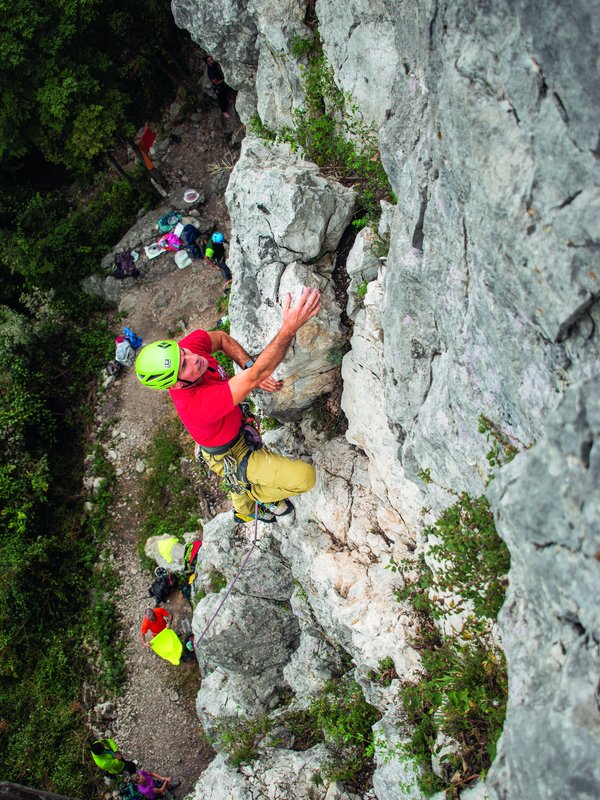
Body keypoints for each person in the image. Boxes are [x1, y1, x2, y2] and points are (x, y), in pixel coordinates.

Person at [135, 287, 321, 523]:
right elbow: (256, 376)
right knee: (305, 477)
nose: (194, 359)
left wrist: (248, 364)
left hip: (226, 435)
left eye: (183, 353)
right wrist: (289, 328)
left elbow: (221, 339)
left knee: (237, 474)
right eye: (184, 367)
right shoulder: (197, 405)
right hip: (229, 450)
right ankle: (255, 500)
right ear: (176, 385)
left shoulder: (190, 351)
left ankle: (242, 507)